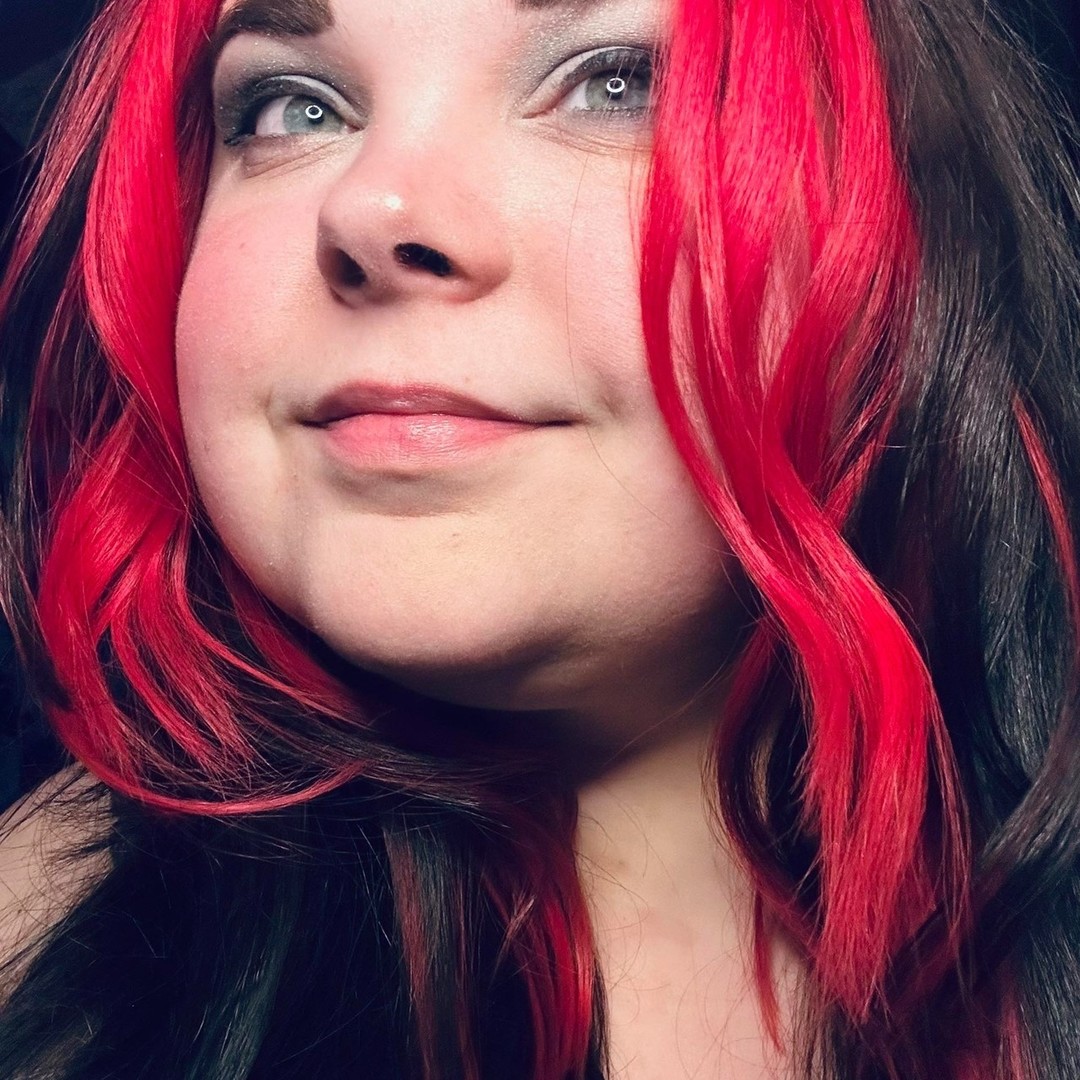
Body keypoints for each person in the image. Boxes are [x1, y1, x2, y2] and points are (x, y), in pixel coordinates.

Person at [0, 0, 1078, 1075]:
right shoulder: (42, 943)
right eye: (292, 107)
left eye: (616, 83)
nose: (370, 210)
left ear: (922, 233)